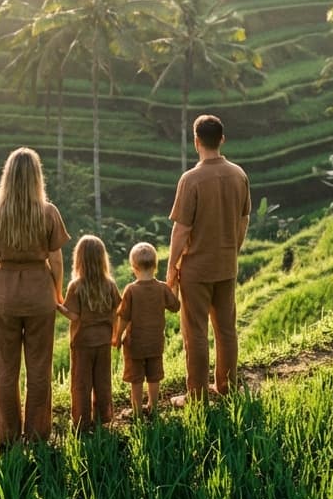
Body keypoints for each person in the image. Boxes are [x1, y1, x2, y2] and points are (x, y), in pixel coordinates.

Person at [0, 147, 69, 446]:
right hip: (40, 294)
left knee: (5, 368)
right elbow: (56, 260)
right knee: (40, 367)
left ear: (7, 176)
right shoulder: (48, 212)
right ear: (37, 177)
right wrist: (57, 292)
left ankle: (7, 435)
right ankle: (38, 434)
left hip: (5, 295)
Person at [166, 113, 250, 402]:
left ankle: (197, 394)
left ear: (196, 141)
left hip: (196, 270)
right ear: (222, 139)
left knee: (196, 333)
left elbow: (181, 230)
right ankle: (227, 386)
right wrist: (233, 248)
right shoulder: (239, 174)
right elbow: (243, 219)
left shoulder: (191, 180)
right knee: (226, 329)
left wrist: (172, 268)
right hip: (227, 265)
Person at [58, 234, 121, 430]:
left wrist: (58, 305)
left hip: (82, 342)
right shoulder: (109, 285)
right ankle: (104, 417)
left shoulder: (76, 286)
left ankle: (81, 422)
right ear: (103, 259)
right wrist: (115, 335)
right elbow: (118, 311)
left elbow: (74, 316)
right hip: (103, 341)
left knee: (81, 383)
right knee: (103, 381)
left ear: (79, 259)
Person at [113, 241, 180, 417]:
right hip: (155, 342)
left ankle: (136, 411)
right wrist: (175, 286)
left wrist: (117, 337)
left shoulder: (131, 290)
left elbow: (123, 317)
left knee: (136, 379)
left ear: (133, 267)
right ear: (156, 266)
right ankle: (153, 407)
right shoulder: (162, 288)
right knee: (154, 375)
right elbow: (175, 306)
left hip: (135, 344)